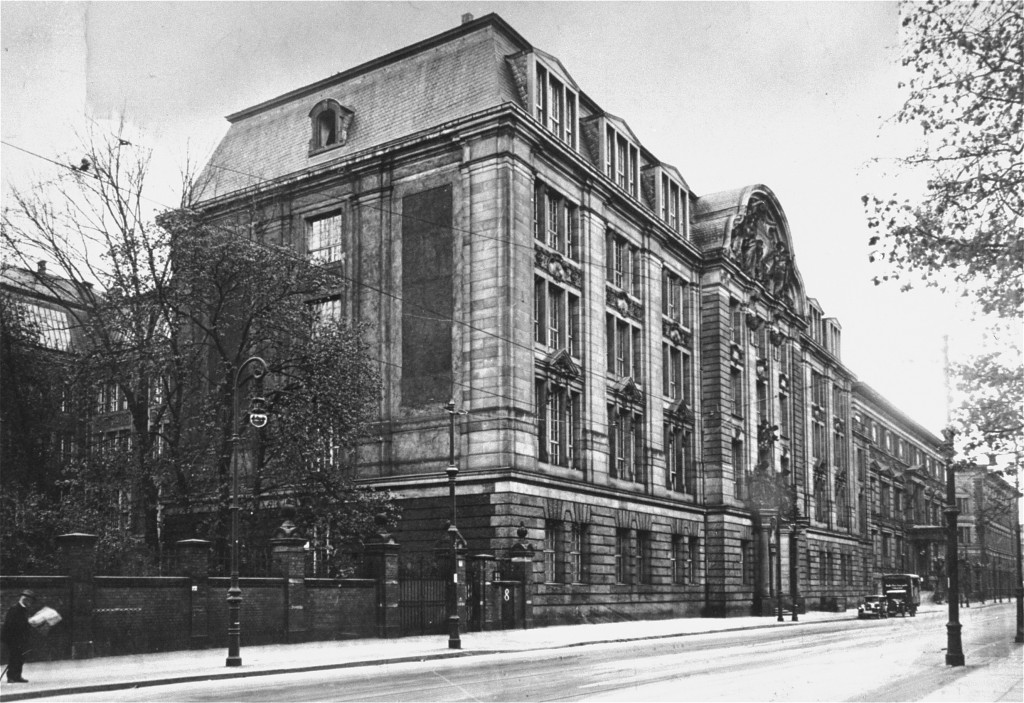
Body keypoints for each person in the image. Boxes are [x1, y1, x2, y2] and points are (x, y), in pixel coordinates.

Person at [1, 589, 35, 683]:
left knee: (20, 657)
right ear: (25, 599)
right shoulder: (15, 609)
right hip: (12, 638)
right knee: (14, 657)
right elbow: (11, 624)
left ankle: (17, 676)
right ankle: (11, 676)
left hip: (19, 638)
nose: (31, 603)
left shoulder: (23, 609)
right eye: (30, 600)